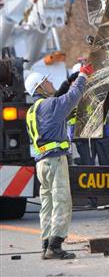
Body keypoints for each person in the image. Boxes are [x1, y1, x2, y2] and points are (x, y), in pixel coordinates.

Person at [25, 63, 93, 260]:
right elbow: (71, 98)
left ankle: (46, 243)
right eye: (46, 81)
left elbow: (55, 101)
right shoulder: (50, 106)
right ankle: (55, 246)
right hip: (55, 160)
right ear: (39, 87)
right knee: (62, 201)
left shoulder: (34, 109)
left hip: (41, 163)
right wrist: (81, 77)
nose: (50, 82)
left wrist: (67, 82)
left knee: (47, 203)